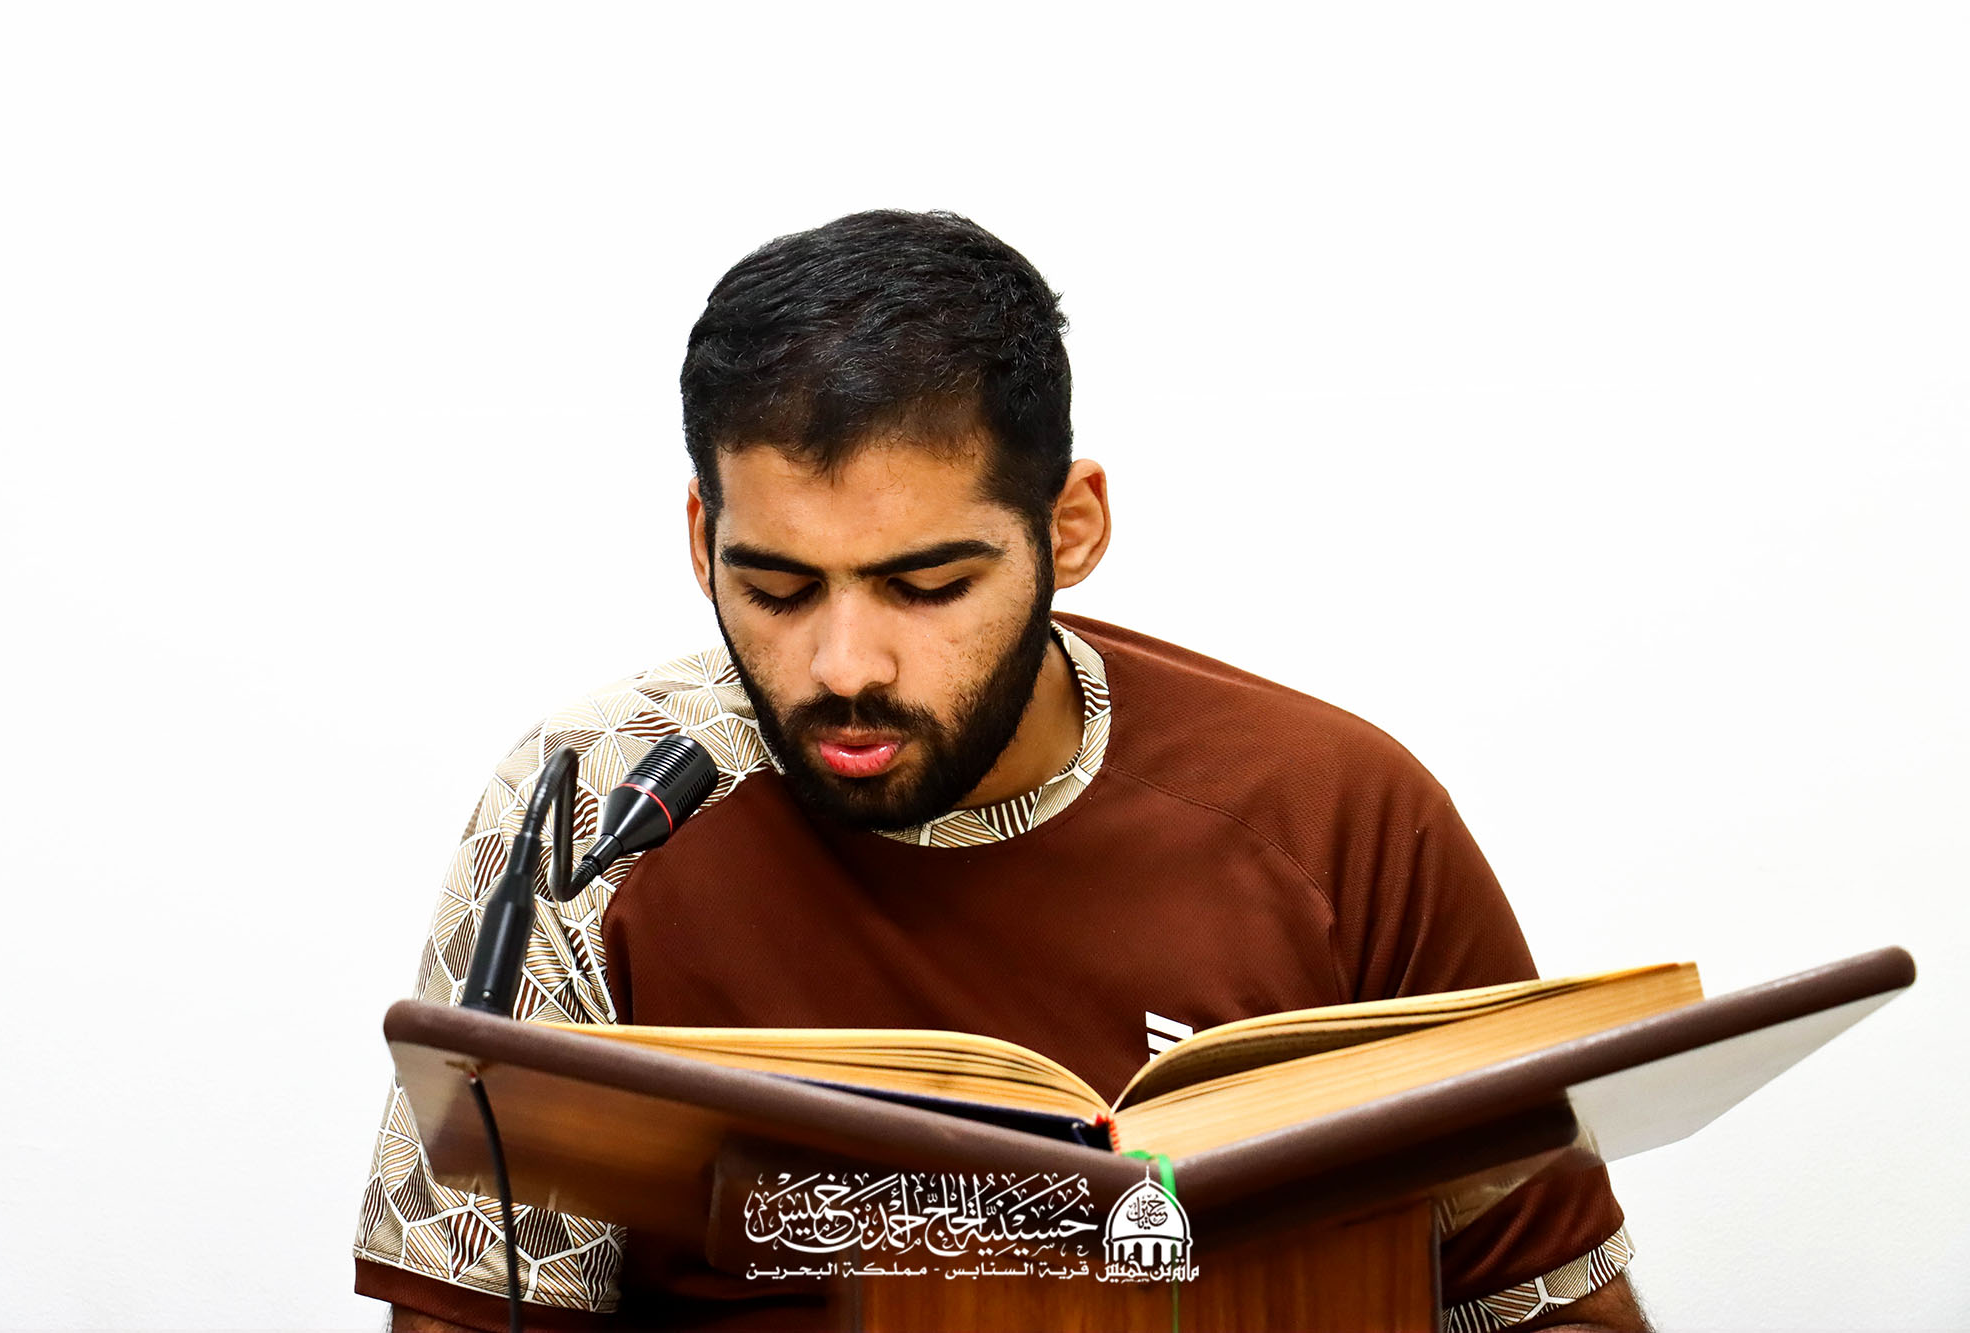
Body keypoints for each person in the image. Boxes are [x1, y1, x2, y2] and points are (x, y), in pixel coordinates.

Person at [354, 210, 1650, 1333]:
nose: (843, 665)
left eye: (928, 585)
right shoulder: (593, 809)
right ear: (704, 537)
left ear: (1069, 528)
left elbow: (1550, 1306)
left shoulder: (1337, 818)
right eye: (777, 587)